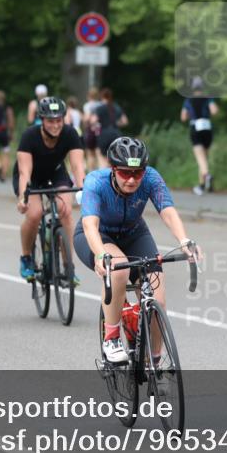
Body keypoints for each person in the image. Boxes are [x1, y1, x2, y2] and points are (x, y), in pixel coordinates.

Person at [75, 137, 198, 363]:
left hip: (134, 233)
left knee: (157, 301)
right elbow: (89, 224)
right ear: (113, 169)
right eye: (124, 173)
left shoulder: (151, 177)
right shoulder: (96, 181)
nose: (131, 179)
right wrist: (101, 254)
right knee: (118, 269)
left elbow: (167, 210)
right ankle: (112, 338)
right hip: (99, 235)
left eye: (137, 173)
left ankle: (155, 361)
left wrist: (183, 239)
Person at [15, 96, 86, 284]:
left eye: (59, 120)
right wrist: (23, 197)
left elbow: (78, 166)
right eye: (50, 121)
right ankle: (26, 257)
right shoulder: (29, 136)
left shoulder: (70, 134)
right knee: (35, 213)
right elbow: (24, 172)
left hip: (55, 174)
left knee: (66, 211)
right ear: (41, 120)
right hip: (32, 177)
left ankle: (68, 266)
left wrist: (84, 191)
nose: (55, 125)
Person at [181, 76, 219, 195]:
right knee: (204, 159)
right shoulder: (208, 97)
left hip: (195, 128)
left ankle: (207, 176)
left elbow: (183, 117)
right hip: (207, 128)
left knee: (200, 158)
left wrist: (190, 115)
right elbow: (214, 111)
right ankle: (202, 186)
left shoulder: (188, 99)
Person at [91, 88, 128, 164]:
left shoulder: (100, 108)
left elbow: (93, 120)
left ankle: (105, 173)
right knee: (115, 158)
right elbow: (125, 121)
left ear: (101, 97)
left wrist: (95, 126)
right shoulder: (116, 107)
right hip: (116, 134)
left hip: (104, 135)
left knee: (103, 158)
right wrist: (116, 124)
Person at [82, 86, 103, 170]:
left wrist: (84, 121)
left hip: (91, 130)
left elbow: (87, 118)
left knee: (90, 153)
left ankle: (91, 173)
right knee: (99, 153)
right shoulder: (101, 105)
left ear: (88, 96)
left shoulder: (87, 105)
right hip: (100, 130)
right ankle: (100, 172)